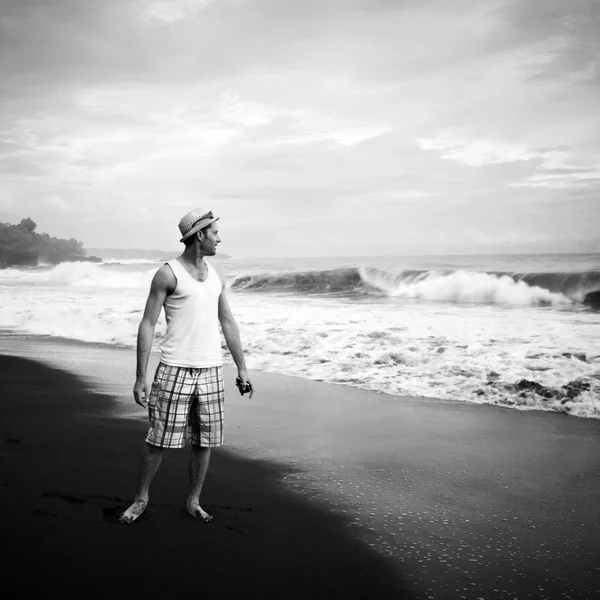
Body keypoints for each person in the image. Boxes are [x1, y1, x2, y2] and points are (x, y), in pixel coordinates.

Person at [119, 208, 253, 524]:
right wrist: (141, 377)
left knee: (204, 441)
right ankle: (141, 499)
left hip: (211, 371)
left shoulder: (217, 275)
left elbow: (228, 321)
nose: (219, 237)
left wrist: (242, 368)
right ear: (199, 235)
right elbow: (147, 324)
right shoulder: (168, 274)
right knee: (158, 440)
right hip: (174, 369)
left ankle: (193, 501)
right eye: (215, 232)